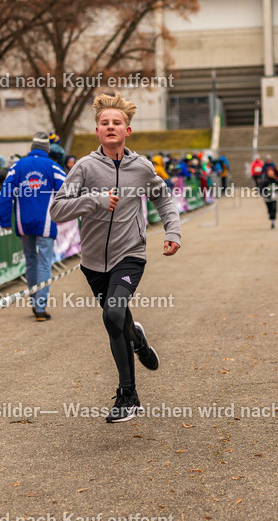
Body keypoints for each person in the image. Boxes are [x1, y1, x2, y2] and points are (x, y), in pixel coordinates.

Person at [50, 93, 181, 424]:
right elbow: (57, 209)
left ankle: (128, 396)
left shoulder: (142, 168)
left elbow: (163, 199)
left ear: (127, 130)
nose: (110, 127)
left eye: (117, 123)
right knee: (117, 318)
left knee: (112, 313)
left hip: (130, 254)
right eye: (104, 123)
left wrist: (173, 232)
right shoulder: (85, 167)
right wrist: (94, 200)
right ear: (97, 131)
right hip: (93, 262)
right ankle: (137, 340)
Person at [0, 131, 68, 321]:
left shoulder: (17, 166)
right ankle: (40, 307)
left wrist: (4, 220)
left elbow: (5, 193)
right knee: (44, 263)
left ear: (32, 147)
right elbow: (68, 190)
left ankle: (34, 302)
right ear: (47, 148)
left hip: (24, 222)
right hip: (46, 222)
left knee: (30, 262)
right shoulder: (53, 166)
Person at [259, 158, 278, 229]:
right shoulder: (265, 181)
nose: (271, 173)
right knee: (270, 210)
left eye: (272, 172)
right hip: (267, 198)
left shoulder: (275, 180)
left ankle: (273, 222)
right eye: (269, 172)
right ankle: (271, 218)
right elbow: (261, 189)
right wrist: (265, 194)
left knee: (274, 209)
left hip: (273, 197)